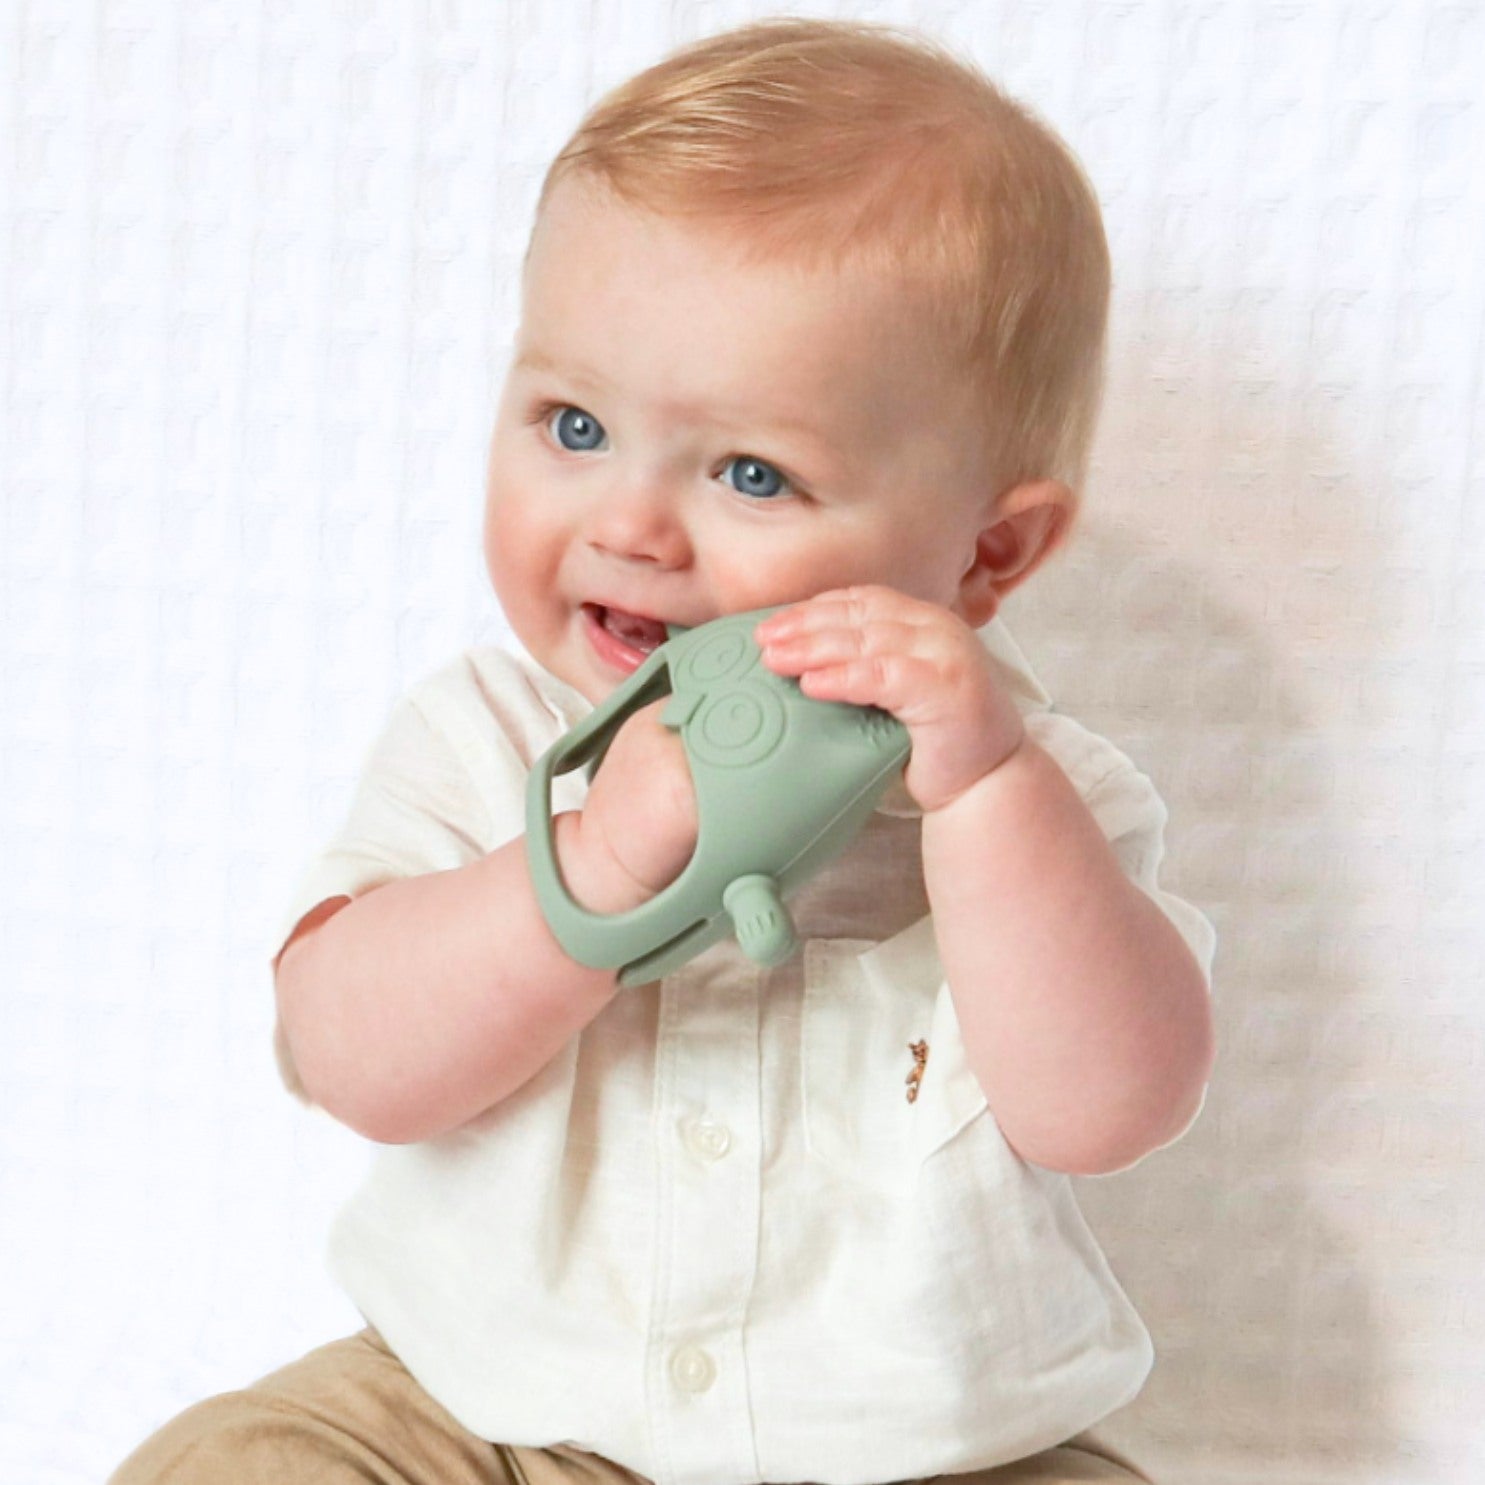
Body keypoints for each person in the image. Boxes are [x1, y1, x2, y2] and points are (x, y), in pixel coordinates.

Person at [112, 17, 1216, 1485]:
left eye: (751, 472)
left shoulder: (1039, 794)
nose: (628, 524)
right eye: (573, 423)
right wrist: (587, 863)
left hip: (920, 1455)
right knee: (236, 1462)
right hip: (481, 1418)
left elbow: (1105, 1109)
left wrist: (987, 795)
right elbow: (347, 1054)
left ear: (987, 551)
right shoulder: (487, 739)